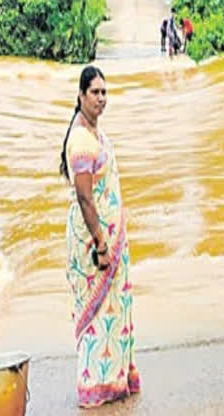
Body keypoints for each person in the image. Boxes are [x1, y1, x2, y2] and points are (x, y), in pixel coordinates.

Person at [59, 66, 140, 408]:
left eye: (105, 92)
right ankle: (94, 386)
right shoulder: (80, 141)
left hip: (109, 239)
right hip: (94, 245)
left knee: (114, 311)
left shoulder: (94, 132)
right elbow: (85, 198)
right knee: (96, 315)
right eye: (95, 92)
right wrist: (102, 244)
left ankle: (115, 378)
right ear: (80, 96)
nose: (101, 99)